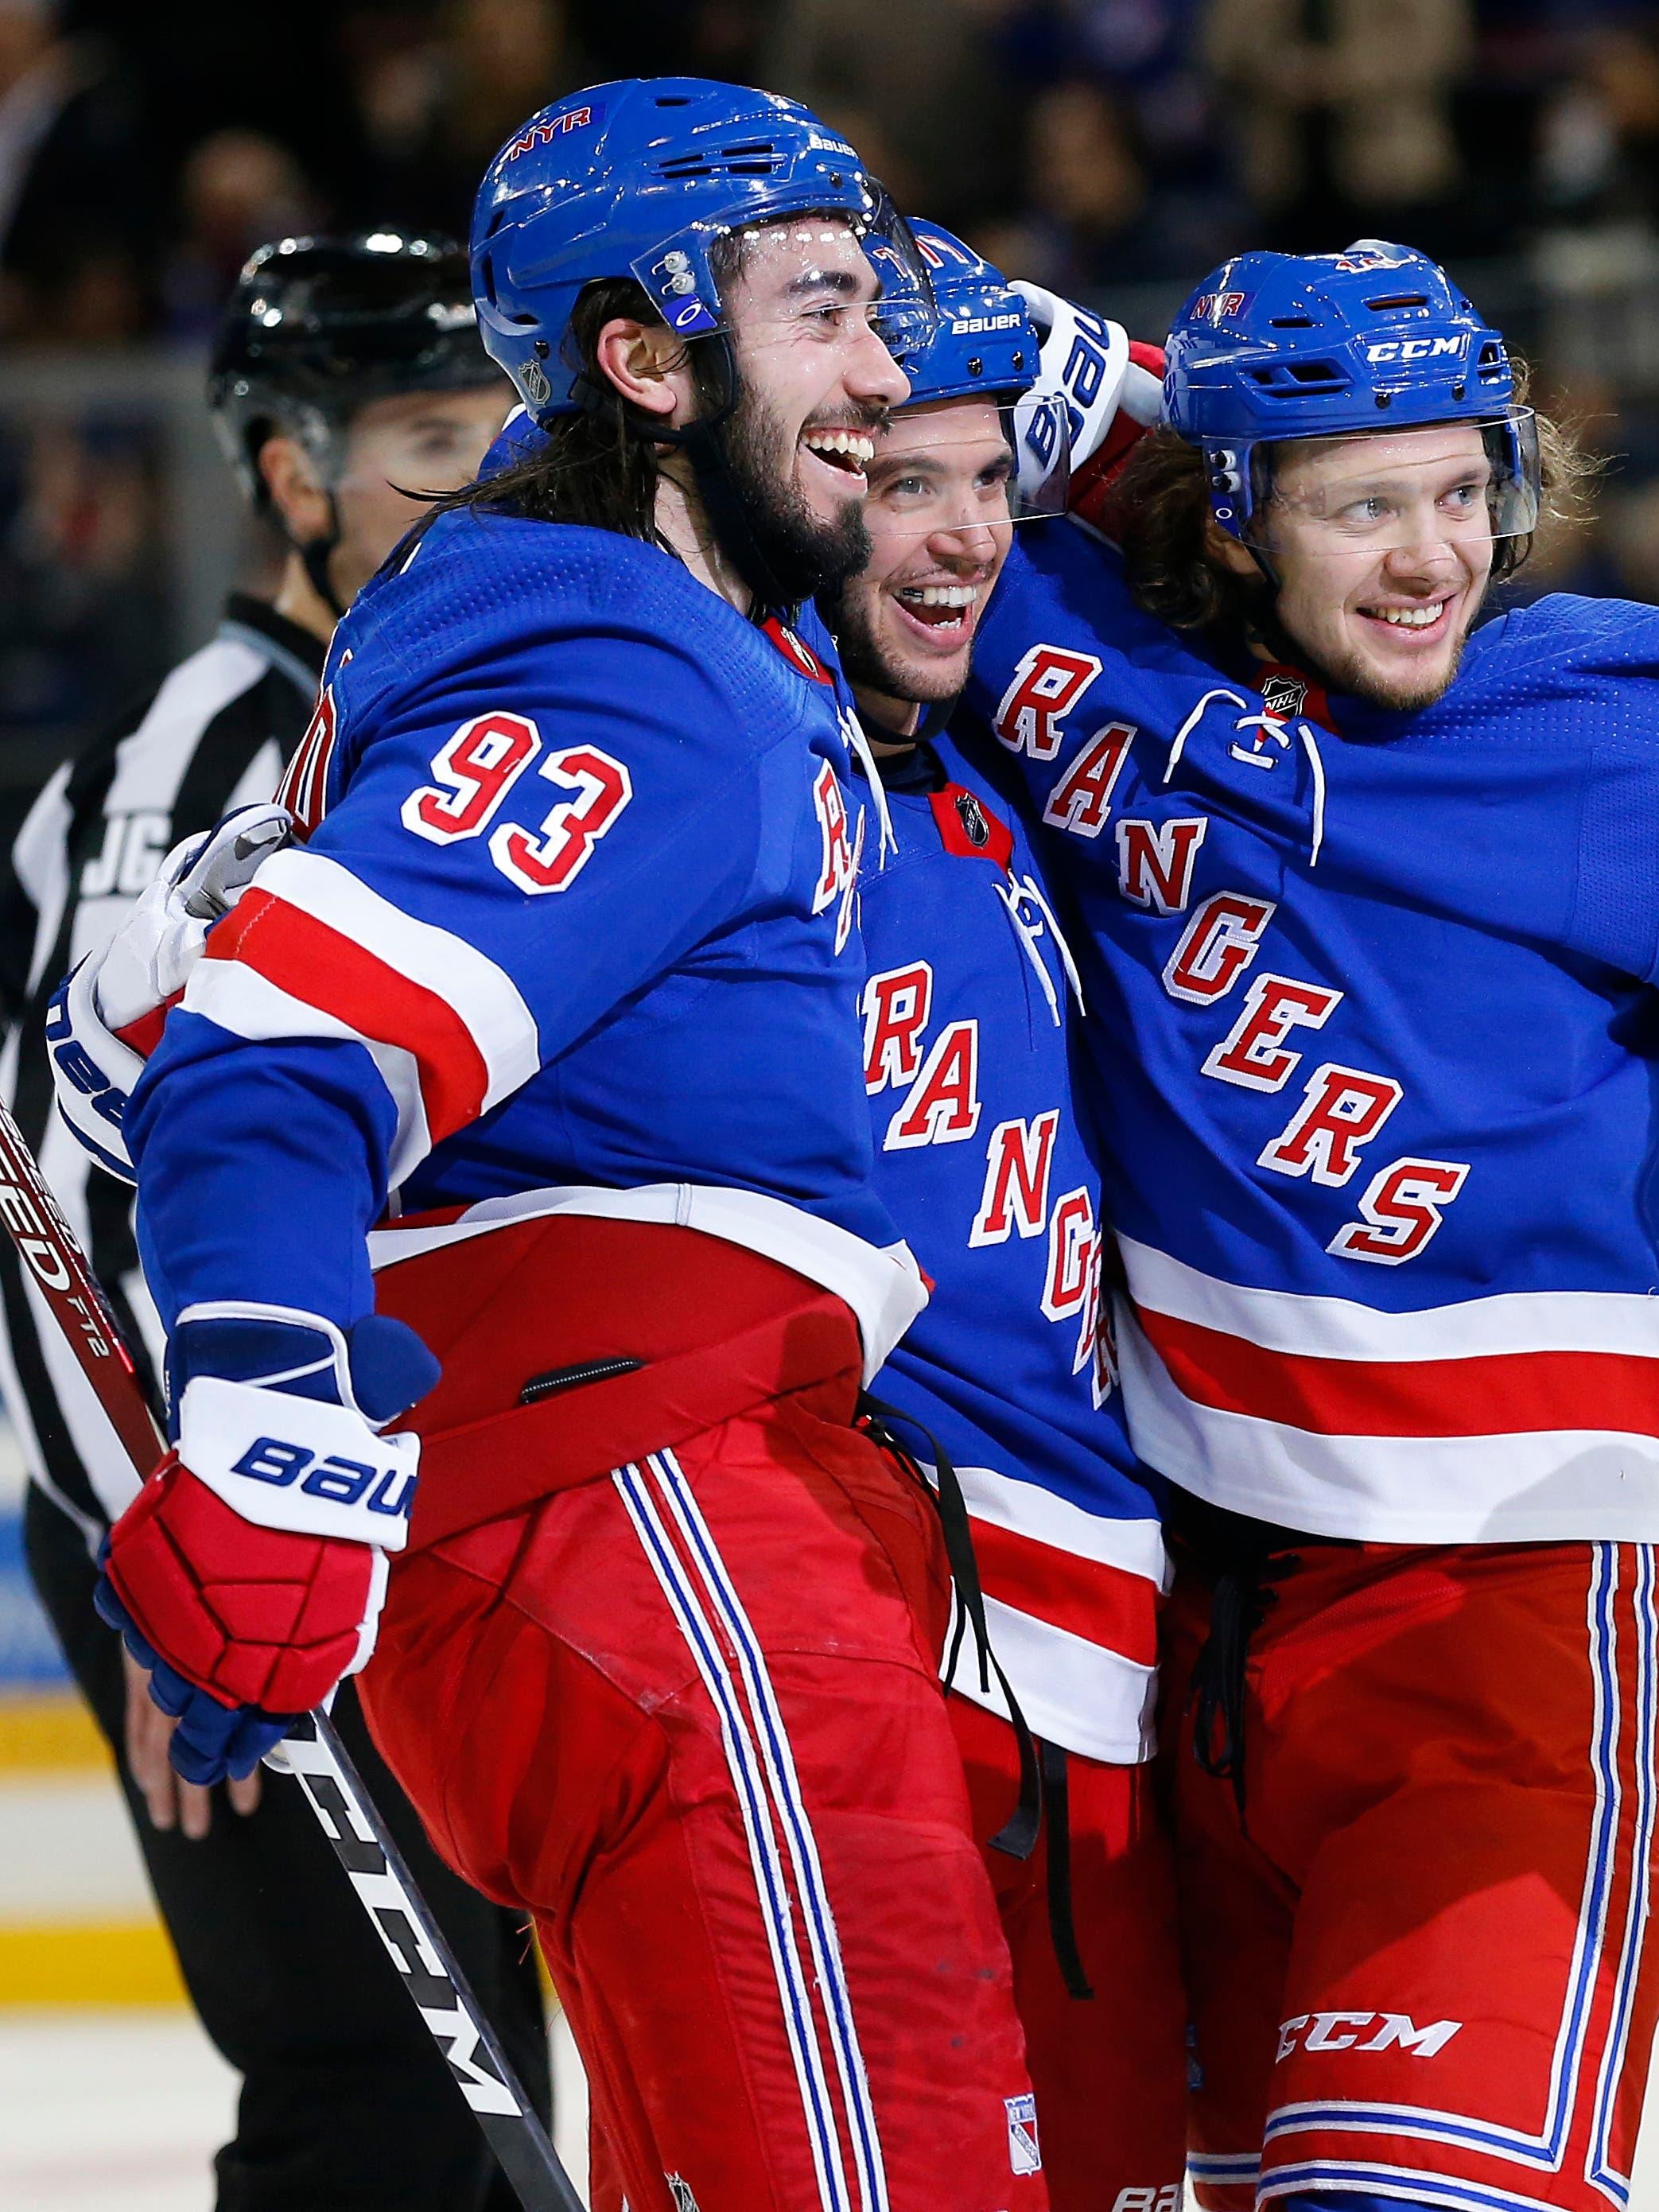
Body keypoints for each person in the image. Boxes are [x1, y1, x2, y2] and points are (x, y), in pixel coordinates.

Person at [77, 77, 1052, 2212]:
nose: (884, 370)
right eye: (817, 310)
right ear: (645, 357)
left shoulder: (666, 649)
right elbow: (271, 1065)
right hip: (672, 1543)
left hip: (662, 1544)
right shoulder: (622, 652)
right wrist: (266, 1428)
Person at [960, 239, 1659, 2212]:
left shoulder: (1638, 732)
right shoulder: (1075, 650)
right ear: (1230, 512)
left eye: (1463, 489)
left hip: (1507, 1632)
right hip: (1190, 1635)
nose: (1429, 553)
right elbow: (844, 362)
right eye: (1363, 502)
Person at [0, 231, 542, 2212]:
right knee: (377, 2110)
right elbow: (66, 1202)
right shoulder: (196, 767)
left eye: (503, 432)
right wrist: (186, 1556)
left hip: (361, 1516)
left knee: (478, 2119)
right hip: (228, 1535)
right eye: (422, 436)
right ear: (289, 471)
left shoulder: (436, 717)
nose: (477, 483)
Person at [821, 220, 1186, 2212]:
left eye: (988, 480)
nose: (961, 538)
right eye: (899, 485)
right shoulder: (712, 749)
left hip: (1095, 1648)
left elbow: (1280, 487)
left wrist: (1104, 365)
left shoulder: (988, 766)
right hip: (862, 1633)